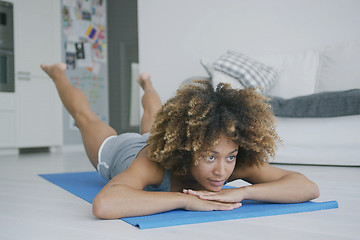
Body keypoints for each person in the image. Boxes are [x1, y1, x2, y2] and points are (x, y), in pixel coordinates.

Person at [40, 63, 320, 219]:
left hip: (160, 140)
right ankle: (57, 73)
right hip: (121, 151)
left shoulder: (231, 164)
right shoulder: (153, 163)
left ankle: (146, 83)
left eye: (230, 156)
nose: (222, 171)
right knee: (86, 118)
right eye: (210, 157)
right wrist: (184, 201)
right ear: (188, 148)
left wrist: (243, 192)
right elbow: (104, 205)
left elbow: (307, 187)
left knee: (153, 114)